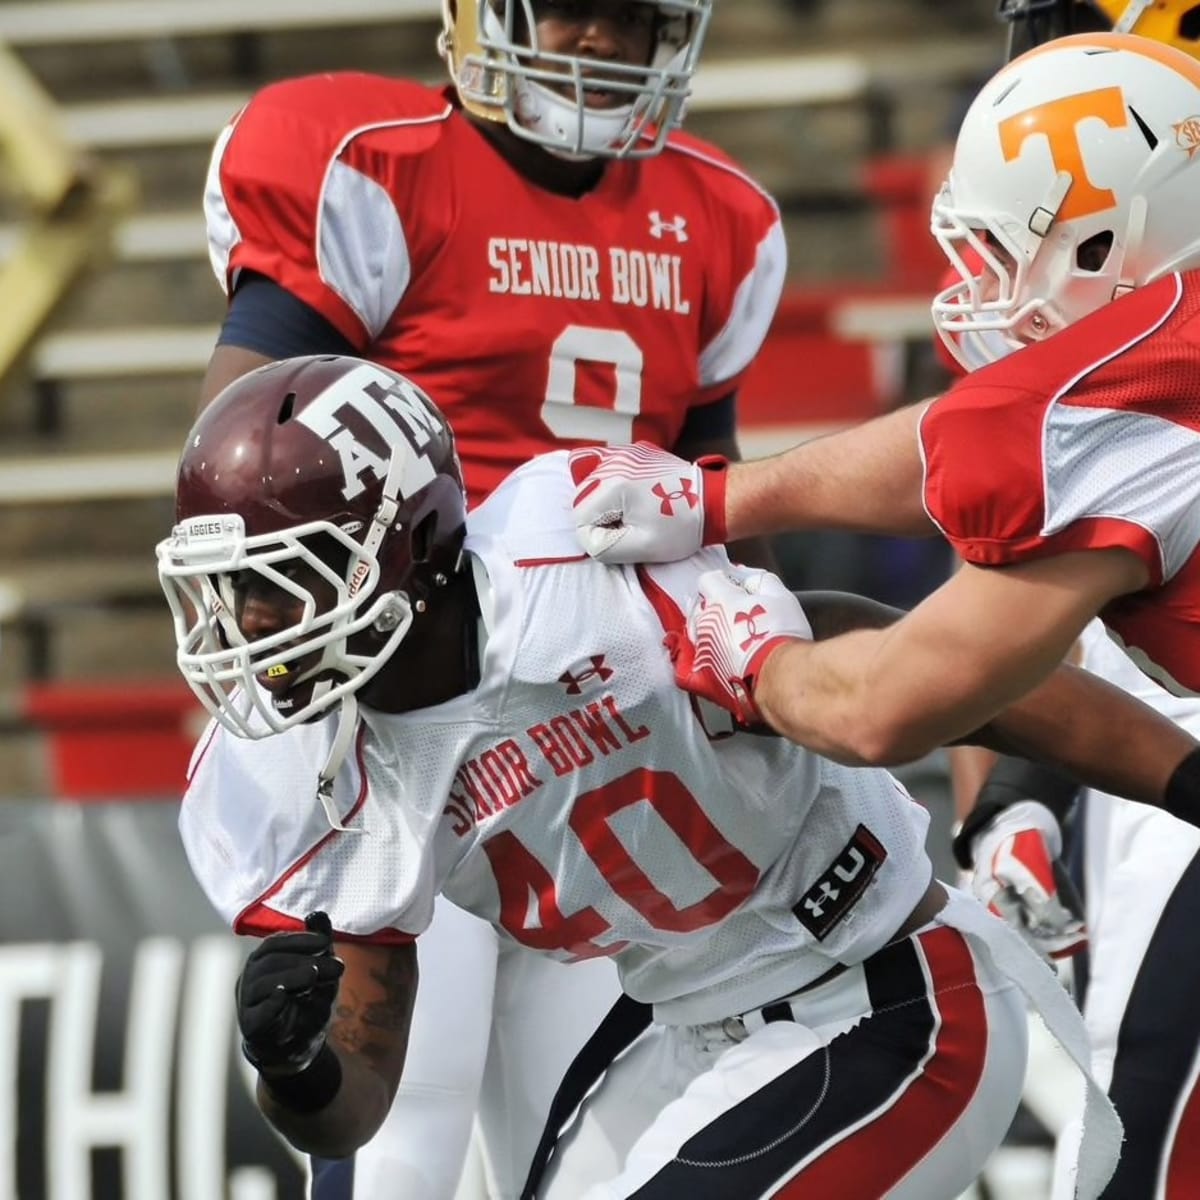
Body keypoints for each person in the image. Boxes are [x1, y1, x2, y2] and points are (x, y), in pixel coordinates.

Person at [160, 355, 1200, 1199]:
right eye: (228, 591)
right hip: (684, 1031)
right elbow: (355, 1098)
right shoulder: (311, 765)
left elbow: (893, 665)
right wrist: (295, 1066)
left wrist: (1182, 775)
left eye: (278, 583)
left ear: (406, 548)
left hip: (886, 996)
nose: (245, 627)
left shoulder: (576, 567)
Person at [197, 2, 784, 1195]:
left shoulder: (722, 216)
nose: (601, 39)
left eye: (633, 15)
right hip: (412, 709)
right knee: (403, 1138)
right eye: (572, 4)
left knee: (597, 1151)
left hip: (607, 726)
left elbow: (713, 505)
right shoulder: (373, 166)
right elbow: (248, 463)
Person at [566, 31, 1200, 787]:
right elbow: (947, 447)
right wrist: (720, 499)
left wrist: (761, 661)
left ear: (1103, 248)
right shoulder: (1161, 373)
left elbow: (878, 710)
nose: (982, 282)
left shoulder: (1136, 400)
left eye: (1001, 249)